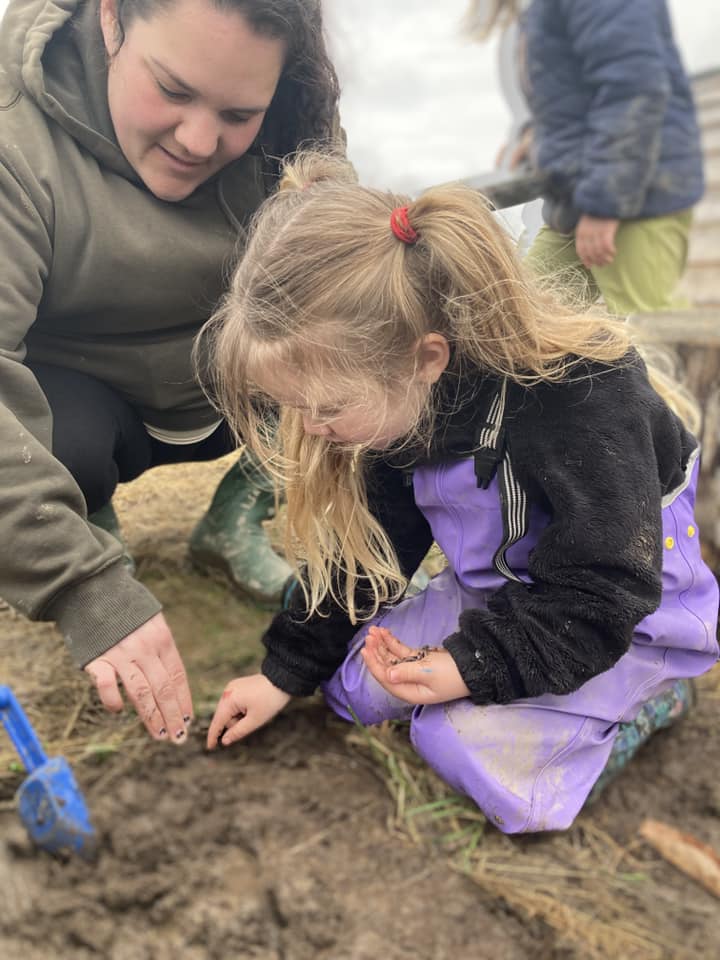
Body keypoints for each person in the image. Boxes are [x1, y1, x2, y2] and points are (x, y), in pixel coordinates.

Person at [202, 151, 719, 833]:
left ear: (426, 358)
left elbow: (606, 588)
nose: (311, 430)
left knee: (463, 749)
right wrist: (282, 673)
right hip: (508, 594)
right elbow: (371, 552)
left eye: (324, 407)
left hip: (626, 614)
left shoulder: (581, 393)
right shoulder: (396, 402)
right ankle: (502, 676)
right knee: (351, 688)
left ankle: (652, 701)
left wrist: (469, 665)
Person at [0, 0, 340, 742]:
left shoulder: (294, 115)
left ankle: (231, 522)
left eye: (238, 113)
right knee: (61, 445)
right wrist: (83, 587)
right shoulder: (11, 129)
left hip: (225, 377)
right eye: (174, 91)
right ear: (114, 17)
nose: (197, 139)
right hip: (80, 396)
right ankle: (74, 519)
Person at [465, 0, 704, 315]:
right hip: (574, 200)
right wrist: (537, 135)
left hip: (635, 197)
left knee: (654, 336)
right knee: (525, 317)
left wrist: (604, 205)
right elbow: (573, 94)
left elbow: (632, 90)